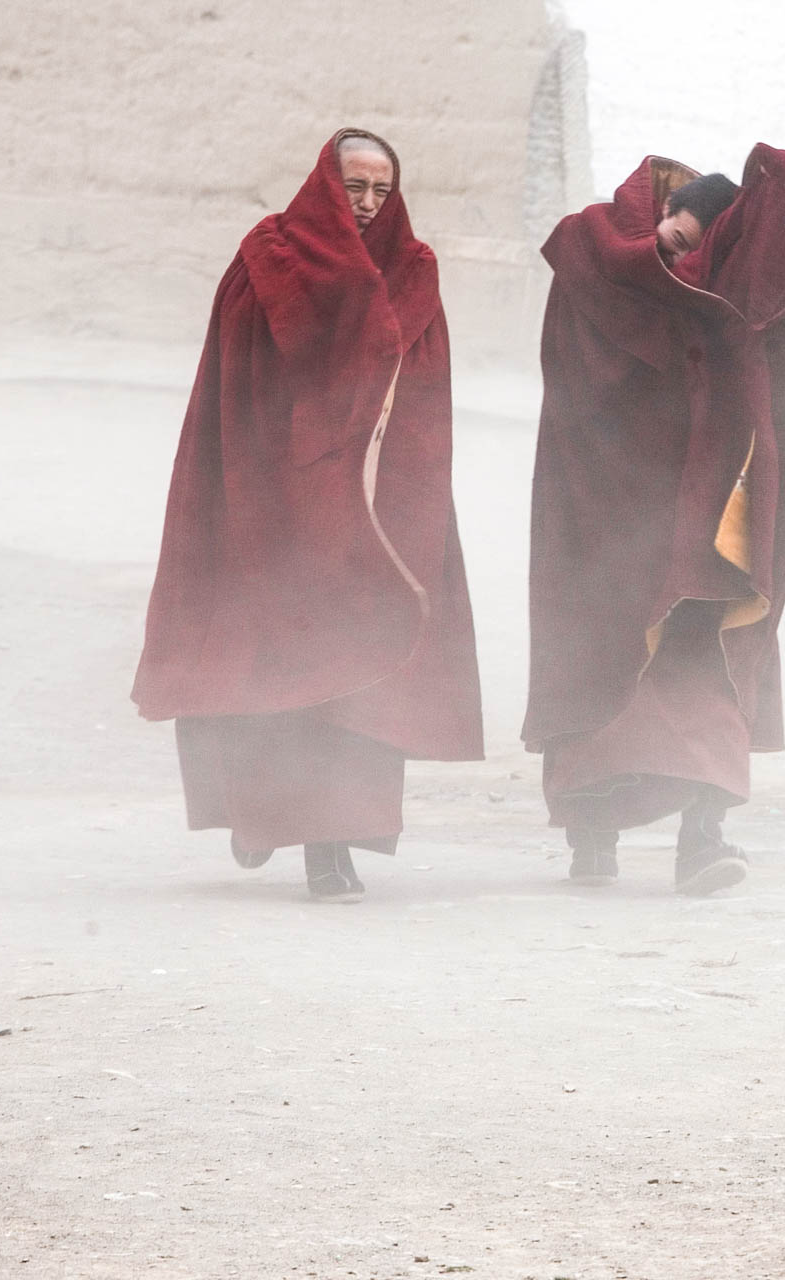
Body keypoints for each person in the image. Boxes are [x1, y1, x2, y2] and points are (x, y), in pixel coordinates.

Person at [133, 129, 483, 903]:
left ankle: (334, 848)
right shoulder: (267, 258)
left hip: (369, 505)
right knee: (272, 665)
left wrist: (409, 498)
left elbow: (426, 397)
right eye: (352, 187)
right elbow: (232, 382)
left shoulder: (413, 272)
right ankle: (259, 820)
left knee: (356, 674)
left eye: (380, 191)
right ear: (324, 183)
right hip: (277, 501)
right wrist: (251, 490)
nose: (365, 205)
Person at [524, 145, 785, 895]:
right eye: (681, 223)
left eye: (706, 238)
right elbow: (570, 385)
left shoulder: (738, 303)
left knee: (711, 668)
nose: (684, 244)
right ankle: (591, 835)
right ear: (661, 208)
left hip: (712, 519)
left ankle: (702, 841)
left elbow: (781, 392)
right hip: (607, 512)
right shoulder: (595, 259)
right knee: (602, 668)